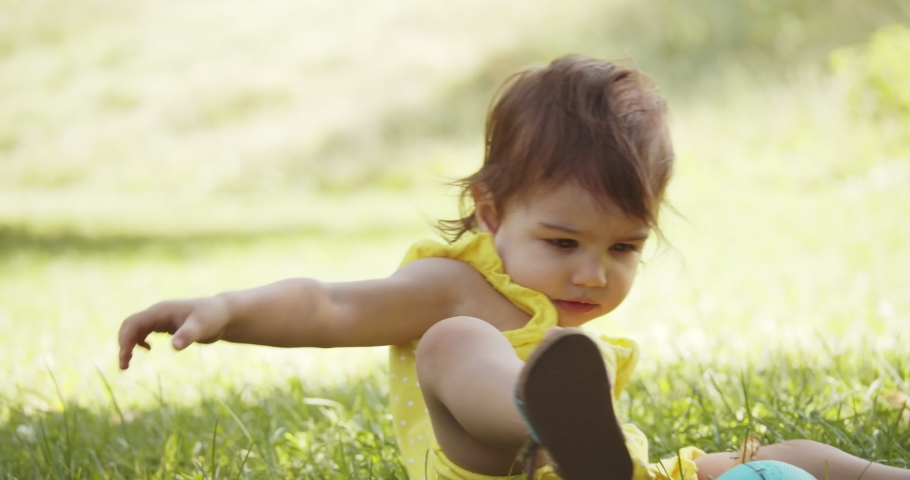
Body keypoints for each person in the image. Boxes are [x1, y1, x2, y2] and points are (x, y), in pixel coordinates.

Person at [117, 55, 910, 480]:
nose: (593, 276)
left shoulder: (571, 303)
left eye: (624, 248)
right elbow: (329, 307)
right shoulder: (455, 285)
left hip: (614, 474)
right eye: (563, 243)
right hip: (492, 472)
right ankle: (540, 420)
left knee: (774, 461)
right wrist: (224, 310)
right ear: (491, 212)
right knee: (454, 341)